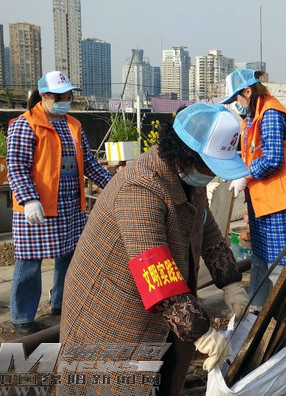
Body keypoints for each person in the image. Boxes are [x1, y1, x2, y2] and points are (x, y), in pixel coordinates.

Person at [58, 103, 250, 396]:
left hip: (162, 307)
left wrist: (231, 283)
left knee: (162, 377)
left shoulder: (189, 178)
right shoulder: (141, 187)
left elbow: (207, 229)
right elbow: (155, 270)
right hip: (111, 309)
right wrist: (200, 331)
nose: (212, 174)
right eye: (209, 166)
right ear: (185, 154)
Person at [6, 71, 113, 335]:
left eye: (68, 96)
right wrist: (29, 199)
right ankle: (22, 318)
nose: (66, 101)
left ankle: (62, 303)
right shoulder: (25, 124)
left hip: (69, 204)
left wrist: (114, 186)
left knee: (70, 257)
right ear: (44, 96)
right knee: (29, 262)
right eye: (60, 97)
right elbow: (16, 166)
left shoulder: (73, 125)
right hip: (37, 206)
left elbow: (89, 163)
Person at [222, 69, 286, 310]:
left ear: (248, 92)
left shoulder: (270, 114)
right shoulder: (252, 117)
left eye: (237, 98)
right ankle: (254, 313)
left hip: (281, 205)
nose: (236, 104)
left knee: (279, 266)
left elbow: (272, 159)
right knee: (260, 261)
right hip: (263, 203)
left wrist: (245, 175)